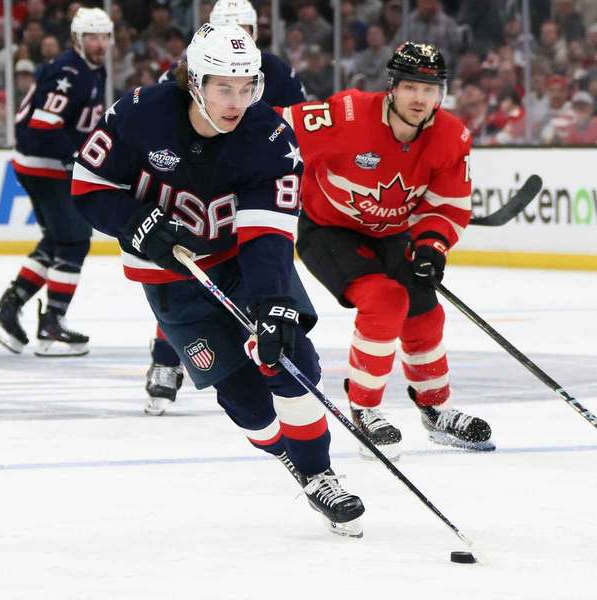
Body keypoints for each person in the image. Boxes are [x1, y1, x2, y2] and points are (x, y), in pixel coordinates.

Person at [71, 23, 365, 537]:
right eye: (223, 87)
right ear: (195, 81)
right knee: (242, 398)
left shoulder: (268, 136)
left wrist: (272, 302)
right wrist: (134, 222)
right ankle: (286, 455)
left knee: (289, 358)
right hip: (170, 276)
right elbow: (90, 185)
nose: (236, 100)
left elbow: (268, 234)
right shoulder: (139, 114)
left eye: (246, 86)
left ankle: (319, 473)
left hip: (239, 261)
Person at [283, 42, 493, 460]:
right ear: (392, 88)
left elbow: (446, 205)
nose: (420, 98)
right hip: (328, 229)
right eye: (412, 86)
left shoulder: (451, 136)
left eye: (430, 89)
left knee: (424, 310)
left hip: (391, 233)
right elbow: (273, 128)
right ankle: (365, 409)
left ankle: (436, 409)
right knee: (384, 300)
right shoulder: (347, 114)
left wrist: (433, 245)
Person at [149, 0, 306, 416]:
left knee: (260, 275)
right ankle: (166, 361)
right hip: (198, 194)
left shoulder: (275, 72)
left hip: (254, 188)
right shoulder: (185, 75)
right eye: (229, 27)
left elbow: (297, 128)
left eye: (246, 27)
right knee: (187, 275)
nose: (239, 35)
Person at [0, 8, 112, 356]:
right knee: (75, 239)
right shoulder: (71, 73)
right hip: (43, 165)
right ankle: (52, 325)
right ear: (77, 40)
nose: (99, 44)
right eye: (92, 37)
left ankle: (7, 309)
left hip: (39, 163)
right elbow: (42, 127)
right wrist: (77, 160)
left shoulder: (90, 70)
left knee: (58, 239)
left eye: (104, 37)